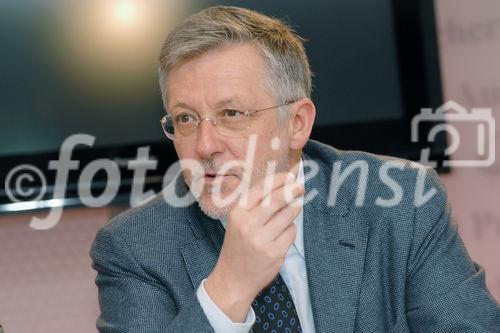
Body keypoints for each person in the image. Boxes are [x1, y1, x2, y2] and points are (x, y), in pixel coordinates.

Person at [90, 5, 500, 333]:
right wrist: (229, 288)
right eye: (185, 119)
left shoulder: (403, 203)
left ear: (297, 123)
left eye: (231, 113)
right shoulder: (134, 248)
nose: (205, 145)